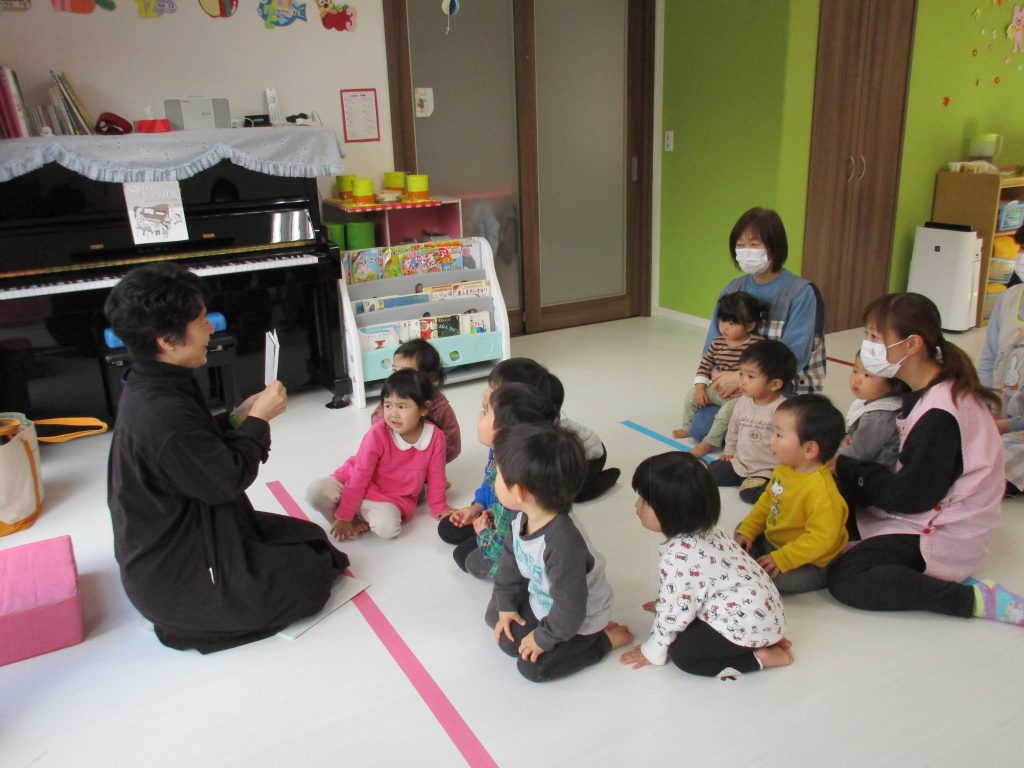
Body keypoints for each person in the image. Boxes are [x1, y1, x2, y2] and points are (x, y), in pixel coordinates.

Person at [105, 263, 348, 654]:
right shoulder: (160, 413)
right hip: (177, 569)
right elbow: (225, 478)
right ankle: (190, 618)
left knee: (313, 541)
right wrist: (258, 420)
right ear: (168, 340)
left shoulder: (154, 380)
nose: (211, 328)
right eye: (201, 321)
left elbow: (197, 446)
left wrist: (238, 417)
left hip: (199, 529)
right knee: (310, 577)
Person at [828, 293, 1024, 627]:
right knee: (821, 508)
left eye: (875, 336)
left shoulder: (940, 414)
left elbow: (911, 497)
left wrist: (847, 468)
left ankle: (973, 598)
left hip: (943, 528)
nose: (867, 345)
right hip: (918, 503)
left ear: (912, 345)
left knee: (848, 577)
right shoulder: (923, 385)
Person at [619, 452, 791, 679]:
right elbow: (696, 587)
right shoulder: (710, 531)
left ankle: (760, 658)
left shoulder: (680, 554)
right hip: (763, 614)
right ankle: (764, 637)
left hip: (749, 624)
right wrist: (669, 600)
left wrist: (651, 652)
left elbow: (674, 616)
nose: (636, 505)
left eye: (645, 501)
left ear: (672, 511)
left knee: (684, 655)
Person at [486, 423, 633, 682]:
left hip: (578, 620)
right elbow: (509, 564)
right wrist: (506, 606)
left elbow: (571, 610)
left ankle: (602, 641)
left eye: (497, 473)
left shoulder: (563, 544)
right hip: (546, 601)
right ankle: (532, 623)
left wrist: (543, 638)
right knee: (499, 623)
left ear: (519, 491)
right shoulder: (521, 516)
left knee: (532, 668)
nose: (492, 476)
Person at [690, 207, 826, 442]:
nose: (746, 251)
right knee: (701, 429)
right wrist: (718, 374)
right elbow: (713, 342)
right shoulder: (733, 288)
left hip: (779, 384)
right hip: (737, 387)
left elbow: (794, 355)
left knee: (775, 433)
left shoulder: (800, 292)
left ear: (775, 247)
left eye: (754, 245)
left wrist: (741, 377)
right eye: (740, 245)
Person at [306, 369, 453, 540]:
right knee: (315, 492)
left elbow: (436, 476)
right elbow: (360, 475)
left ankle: (357, 512)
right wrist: (345, 514)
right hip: (352, 482)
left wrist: (440, 508)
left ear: (424, 408)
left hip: (389, 497)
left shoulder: (435, 436)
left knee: (388, 529)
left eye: (401, 406)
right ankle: (345, 518)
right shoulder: (378, 433)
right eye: (388, 405)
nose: (393, 413)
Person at [438, 382, 560, 579]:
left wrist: (484, 531)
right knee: (448, 528)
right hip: (499, 520)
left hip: (513, 540)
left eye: (485, 412)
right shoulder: (502, 454)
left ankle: (522, 577)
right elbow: (489, 489)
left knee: (466, 558)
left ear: (502, 430)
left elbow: (497, 543)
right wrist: (477, 509)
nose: (480, 415)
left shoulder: (514, 481)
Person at [735, 394, 849, 593]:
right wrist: (749, 529)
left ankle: (758, 565)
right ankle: (758, 561)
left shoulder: (822, 494)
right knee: (742, 530)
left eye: (779, 435)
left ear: (809, 449)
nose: (771, 441)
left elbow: (820, 540)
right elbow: (766, 502)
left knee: (776, 580)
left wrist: (783, 559)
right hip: (775, 541)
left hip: (810, 562)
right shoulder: (784, 469)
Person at [488, 357, 620, 502]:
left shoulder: (544, 433)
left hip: (590, 458)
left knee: (572, 494)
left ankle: (605, 478)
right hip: (568, 455)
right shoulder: (519, 424)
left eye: (494, 392)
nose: (488, 397)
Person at [672, 291, 764, 458]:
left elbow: (760, 370)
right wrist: (700, 388)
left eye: (732, 323)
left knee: (725, 413)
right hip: (718, 390)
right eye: (722, 320)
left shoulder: (757, 345)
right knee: (690, 396)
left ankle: (709, 443)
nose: (724, 327)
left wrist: (741, 380)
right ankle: (688, 427)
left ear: (750, 326)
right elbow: (704, 366)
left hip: (742, 396)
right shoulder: (717, 343)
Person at [707, 340, 796, 503]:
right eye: (741, 374)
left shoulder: (783, 410)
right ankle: (745, 479)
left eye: (750, 376)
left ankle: (764, 484)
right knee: (710, 472)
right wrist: (729, 451)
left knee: (749, 494)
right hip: (740, 463)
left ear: (775, 384)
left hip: (765, 469)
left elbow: (789, 443)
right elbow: (734, 428)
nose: (742, 381)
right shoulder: (744, 400)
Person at [977, 247, 1024, 494]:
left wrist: (1010, 424)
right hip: (1001, 411)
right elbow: (988, 360)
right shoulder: (1009, 299)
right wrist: (989, 405)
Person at [370, 338, 461, 464]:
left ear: (430, 377)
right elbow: (376, 422)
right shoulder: (392, 396)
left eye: (406, 373)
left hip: (426, 460)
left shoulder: (440, 407)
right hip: (394, 457)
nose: (398, 378)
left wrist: (435, 461)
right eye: (395, 371)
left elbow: (452, 441)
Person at [836, 349, 905, 472]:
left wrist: (830, 455)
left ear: (892, 385)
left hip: (873, 474)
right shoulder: (872, 400)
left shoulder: (879, 416)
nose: (856, 380)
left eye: (867, 375)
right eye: (855, 371)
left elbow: (859, 453)